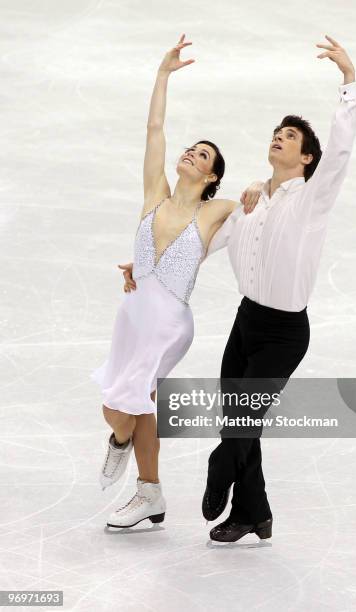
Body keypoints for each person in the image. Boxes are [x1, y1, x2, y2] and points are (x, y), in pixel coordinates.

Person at [121, 34, 356, 542]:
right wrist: (145, 267)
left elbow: (340, 153)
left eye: (291, 137)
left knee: (240, 426)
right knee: (241, 422)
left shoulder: (312, 199)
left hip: (285, 331)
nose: (280, 137)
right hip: (246, 322)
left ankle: (217, 467)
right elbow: (195, 245)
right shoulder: (249, 201)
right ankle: (255, 513)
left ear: (307, 159)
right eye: (277, 132)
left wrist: (348, 83)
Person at [90, 34, 252, 530]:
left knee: (134, 400)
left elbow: (263, 200)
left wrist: (258, 186)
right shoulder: (155, 194)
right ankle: (141, 476)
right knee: (120, 413)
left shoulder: (213, 212)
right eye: (192, 149)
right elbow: (154, 129)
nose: (190, 154)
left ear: (210, 177)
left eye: (202, 156)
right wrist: (162, 74)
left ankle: (147, 492)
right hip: (132, 316)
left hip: (167, 324)